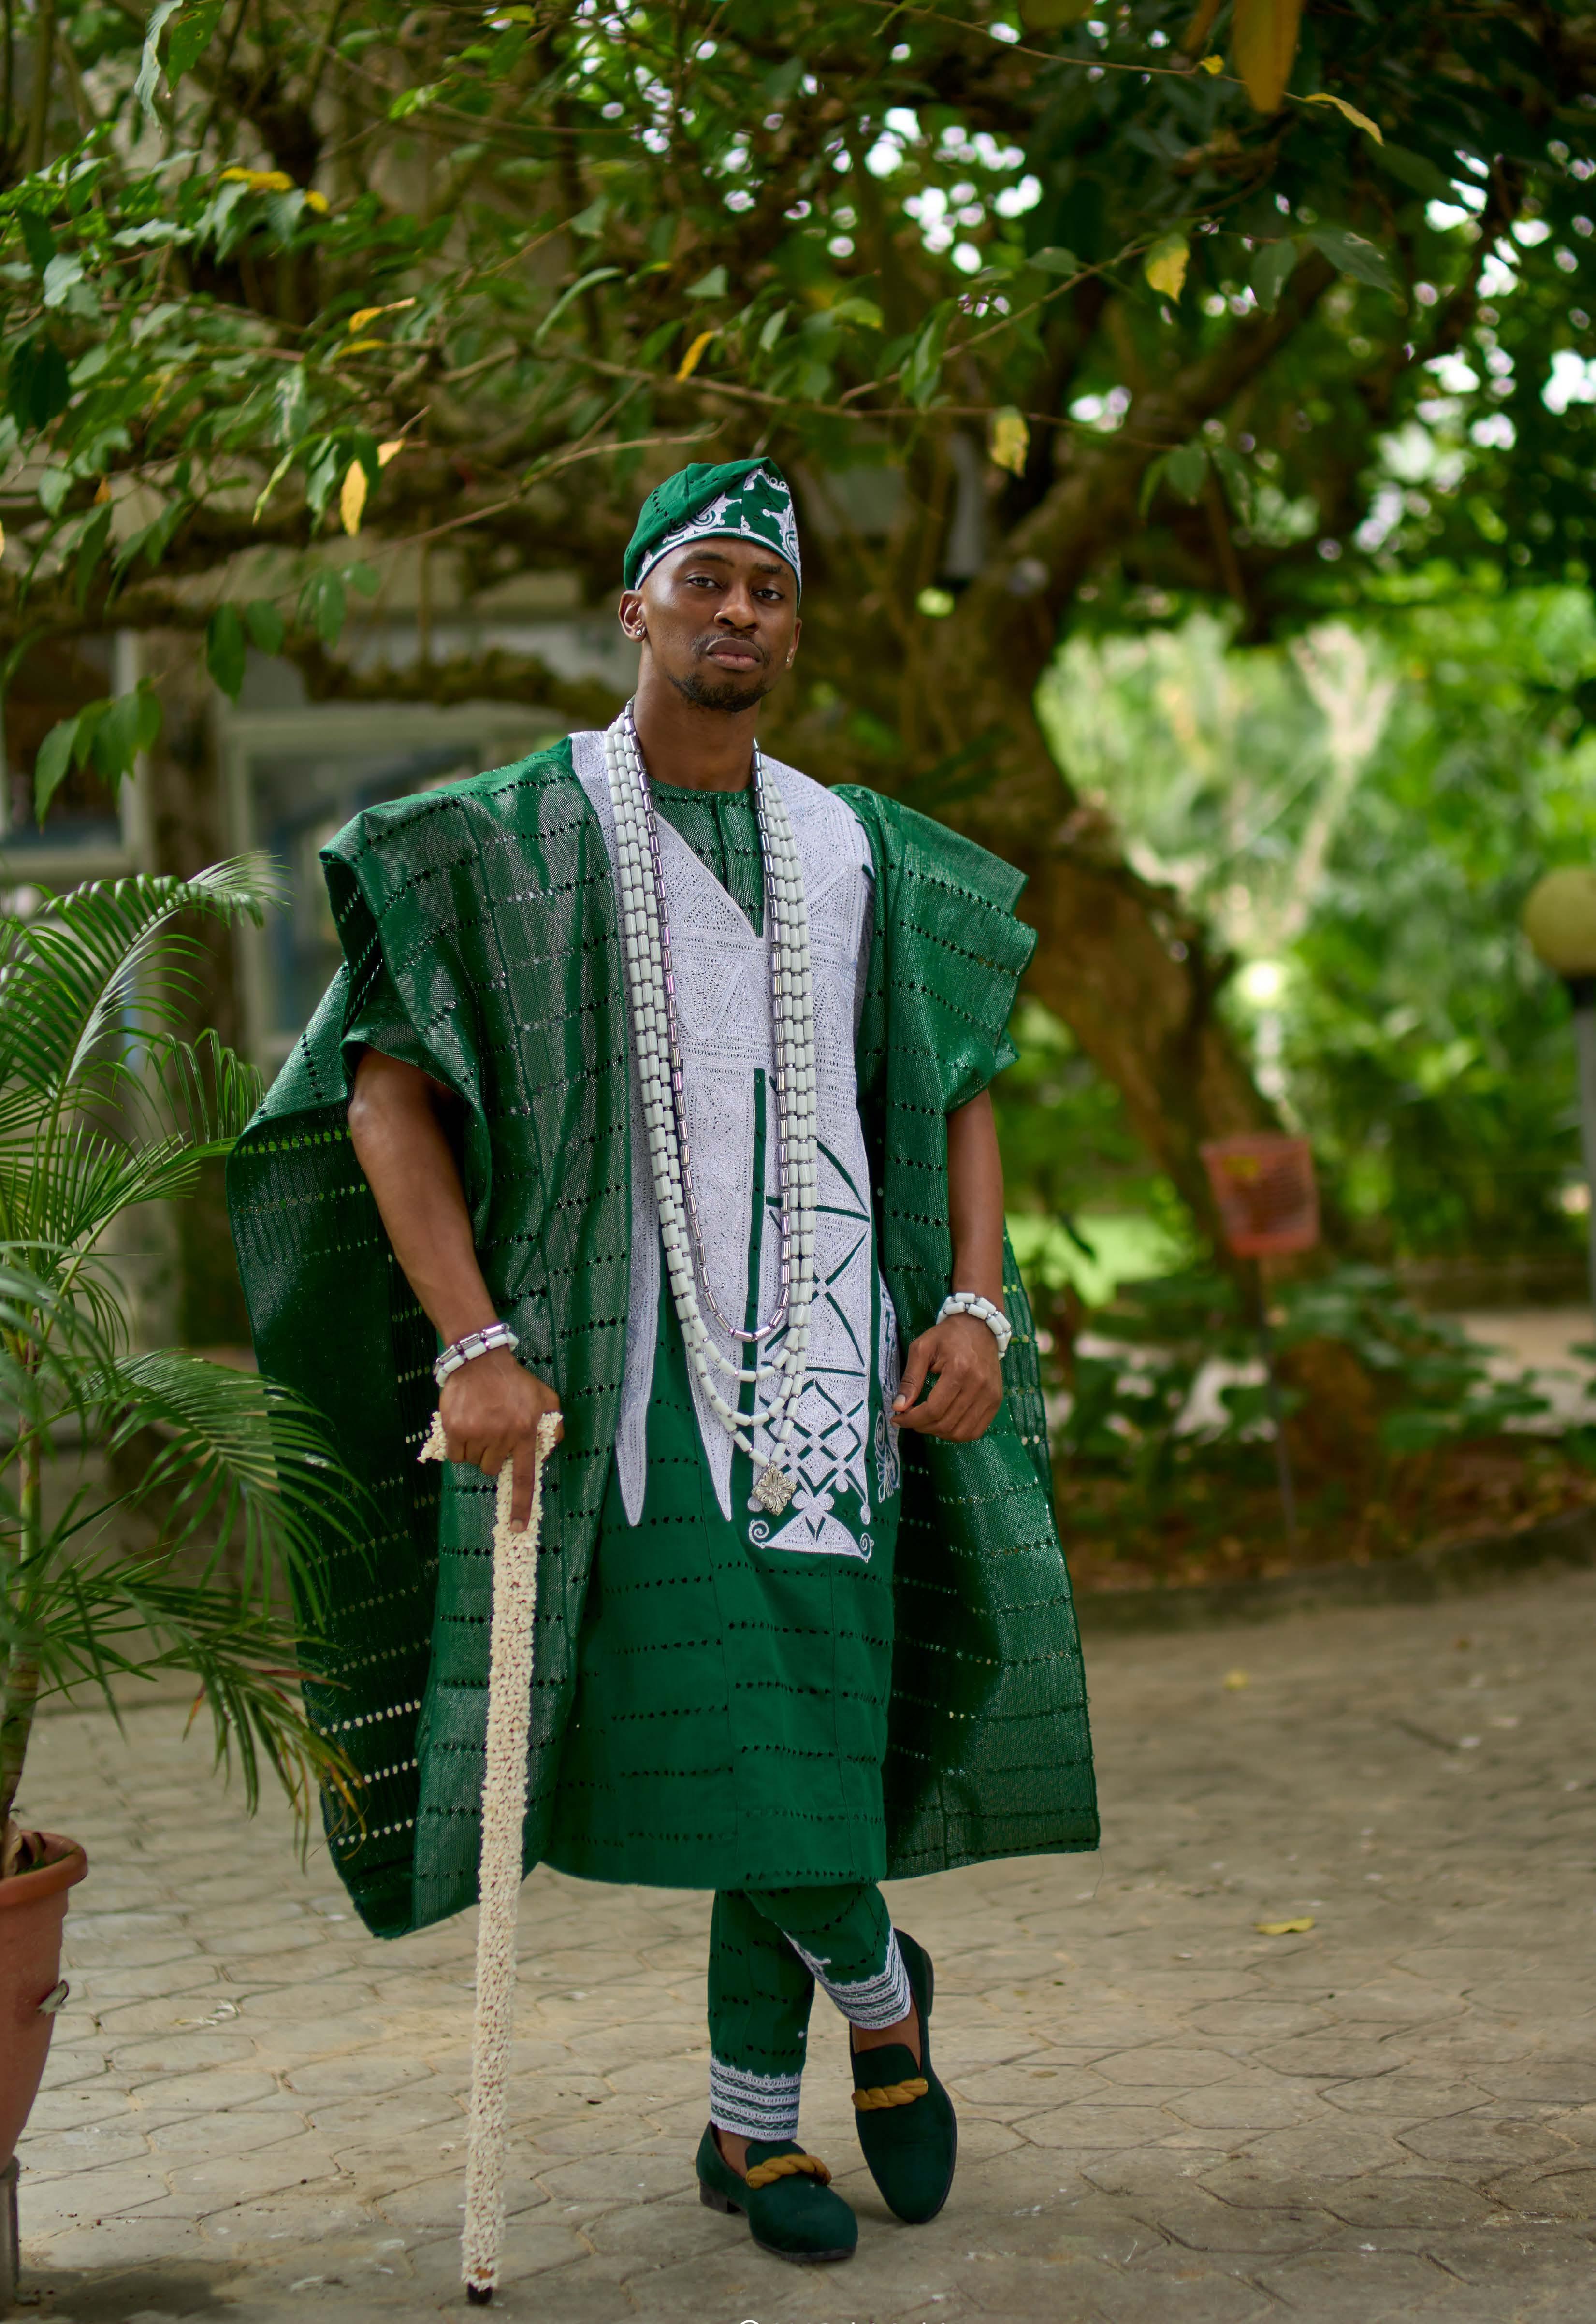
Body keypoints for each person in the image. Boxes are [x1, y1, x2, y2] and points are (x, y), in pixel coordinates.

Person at [229, 457, 1098, 2266]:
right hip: (630, 1390)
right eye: (706, 578)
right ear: (634, 603)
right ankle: (881, 1993)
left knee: (794, 1741)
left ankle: (749, 2134)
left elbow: (959, 1086)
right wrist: (471, 1343)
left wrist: (977, 1305)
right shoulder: (505, 835)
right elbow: (381, 1098)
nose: (739, 613)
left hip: (839, 1383)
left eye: (770, 589)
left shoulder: (862, 847)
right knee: (723, 1728)